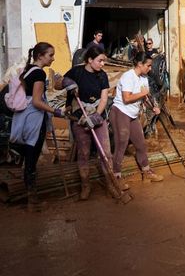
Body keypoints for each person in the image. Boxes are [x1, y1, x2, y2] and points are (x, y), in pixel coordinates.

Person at [10, 42, 64, 211]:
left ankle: (30, 197)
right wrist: (56, 111)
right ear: (40, 56)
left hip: (23, 118)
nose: (53, 58)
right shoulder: (39, 73)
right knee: (32, 159)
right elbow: (36, 101)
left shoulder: (27, 70)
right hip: (34, 119)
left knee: (28, 158)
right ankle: (32, 201)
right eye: (50, 55)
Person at [62, 47, 115, 201]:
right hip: (80, 116)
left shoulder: (102, 76)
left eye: (104, 60)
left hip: (97, 116)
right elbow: (58, 84)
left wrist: (97, 117)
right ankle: (86, 185)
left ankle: (111, 182)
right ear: (90, 60)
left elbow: (104, 99)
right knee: (83, 153)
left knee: (105, 152)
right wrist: (67, 82)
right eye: (100, 60)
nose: (103, 64)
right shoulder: (76, 72)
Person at [110, 52, 164, 185]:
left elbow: (144, 98)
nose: (150, 68)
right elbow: (126, 98)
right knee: (122, 143)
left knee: (140, 143)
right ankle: (116, 177)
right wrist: (143, 93)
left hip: (132, 115)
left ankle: (146, 171)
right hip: (120, 112)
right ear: (140, 64)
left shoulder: (143, 78)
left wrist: (153, 107)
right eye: (148, 65)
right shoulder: (128, 76)